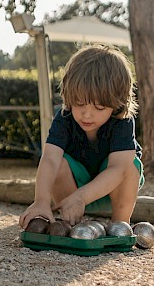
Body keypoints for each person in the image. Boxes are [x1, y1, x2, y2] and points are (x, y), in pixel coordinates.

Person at [18, 44, 144, 232]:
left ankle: (120, 225)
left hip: (111, 189)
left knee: (130, 166)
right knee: (58, 163)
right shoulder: (65, 117)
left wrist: (82, 197)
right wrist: (41, 200)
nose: (87, 115)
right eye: (79, 104)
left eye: (99, 108)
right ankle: (70, 222)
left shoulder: (122, 121)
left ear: (116, 104)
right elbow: (50, 159)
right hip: (72, 190)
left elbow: (118, 169)